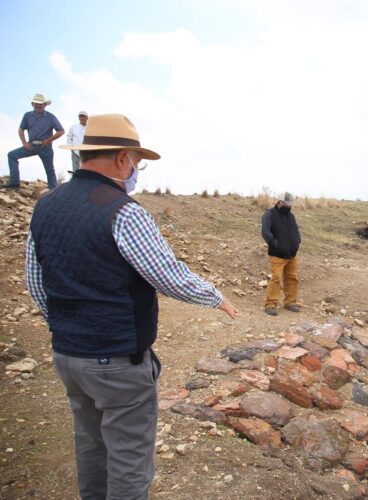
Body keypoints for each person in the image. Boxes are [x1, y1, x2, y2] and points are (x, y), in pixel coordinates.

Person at [26, 113, 238, 499]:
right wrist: (214, 296)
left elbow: (35, 281)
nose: (136, 171)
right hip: (115, 361)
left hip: (67, 355)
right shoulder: (124, 210)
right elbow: (167, 274)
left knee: (90, 445)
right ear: (122, 159)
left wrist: (65, 327)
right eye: (137, 163)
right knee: (128, 459)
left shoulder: (46, 205)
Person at [4, 93, 64, 190]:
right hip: (31, 145)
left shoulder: (51, 117)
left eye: (41, 104)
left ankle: (53, 191)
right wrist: (24, 143)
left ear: (45, 105)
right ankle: (14, 183)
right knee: (12, 155)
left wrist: (48, 140)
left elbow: (61, 131)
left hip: (45, 147)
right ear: (32, 104)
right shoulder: (27, 115)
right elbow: (21, 130)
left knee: (50, 171)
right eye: (36, 103)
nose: (39, 105)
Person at [261, 192, 301, 315]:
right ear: (279, 202)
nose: (289, 207)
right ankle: (270, 305)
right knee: (276, 279)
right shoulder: (269, 215)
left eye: (290, 205)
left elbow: (296, 231)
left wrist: (297, 242)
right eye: (287, 204)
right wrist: (275, 245)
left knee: (292, 279)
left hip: (291, 255)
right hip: (277, 255)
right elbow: (265, 232)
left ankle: (290, 302)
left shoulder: (291, 216)